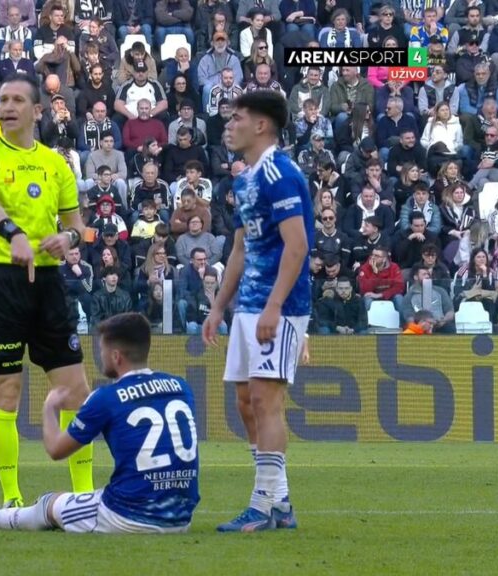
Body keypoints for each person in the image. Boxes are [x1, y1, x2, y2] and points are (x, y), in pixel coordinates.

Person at [0, 75, 93, 506]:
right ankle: (12, 498)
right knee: (6, 391)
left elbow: (77, 226)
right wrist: (13, 233)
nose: (7, 106)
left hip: (50, 282)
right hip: (1, 282)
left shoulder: (56, 165)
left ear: (38, 111)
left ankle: (84, 495)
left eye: (17, 99)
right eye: (2, 100)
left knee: (77, 392)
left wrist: (67, 239)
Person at [0, 312, 199, 534]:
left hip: (130, 516)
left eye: (102, 350)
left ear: (116, 356)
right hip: (181, 516)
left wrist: (49, 409)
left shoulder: (106, 398)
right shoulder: (182, 387)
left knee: (48, 504)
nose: (100, 357)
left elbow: (56, 450)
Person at [202, 91, 314, 532]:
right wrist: (218, 307)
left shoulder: (279, 173)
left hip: (278, 306)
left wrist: (275, 306)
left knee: (266, 400)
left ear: (262, 125)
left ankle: (263, 505)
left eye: (238, 119)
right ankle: (280, 502)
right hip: (247, 305)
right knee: (246, 401)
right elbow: (240, 248)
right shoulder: (245, 179)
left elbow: (297, 245)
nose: (230, 126)